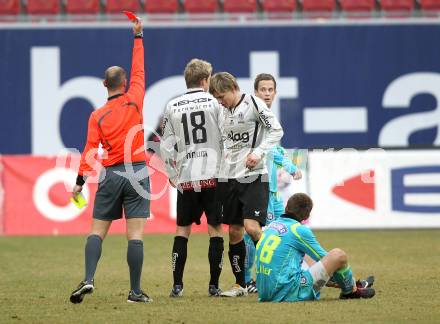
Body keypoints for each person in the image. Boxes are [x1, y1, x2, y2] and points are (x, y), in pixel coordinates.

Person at [69, 18, 152, 304]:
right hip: (138, 172)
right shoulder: (136, 99)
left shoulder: (96, 116)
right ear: (125, 83)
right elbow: (139, 68)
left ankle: (89, 279)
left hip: (111, 175)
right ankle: (135, 291)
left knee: (97, 231)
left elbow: (89, 152)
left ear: (104, 85)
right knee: (135, 235)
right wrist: (138, 37)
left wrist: (79, 184)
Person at [209, 72, 283, 297]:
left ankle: (279, 272)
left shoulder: (253, 103)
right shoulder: (221, 110)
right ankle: (241, 284)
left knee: (252, 228)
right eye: (217, 98)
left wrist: (259, 152)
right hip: (228, 178)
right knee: (234, 231)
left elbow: (276, 130)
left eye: (222, 96)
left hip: (254, 177)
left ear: (233, 88)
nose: (220, 101)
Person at [160, 59, 224, 298]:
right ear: (205, 80)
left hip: (187, 175)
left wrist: (172, 174)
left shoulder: (172, 105)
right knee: (215, 229)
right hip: (214, 174)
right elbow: (225, 137)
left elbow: (165, 145)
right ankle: (213, 286)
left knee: (181, 230)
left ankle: (177, 285)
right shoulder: (215, 103)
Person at [255, 193, 376, 302]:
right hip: (287, 292)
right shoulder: (299, 230)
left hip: (264, 293)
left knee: (307, 256)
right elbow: (328, 260)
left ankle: (354, 285)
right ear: (307, 216)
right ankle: (351, 291)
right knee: (338, 255)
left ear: (286, 207)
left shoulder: (271, 226)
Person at [243, 73, 302, 293]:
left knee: (278, 233)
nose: (267, 94)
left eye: (270, 90)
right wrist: (292, 167)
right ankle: (250, 279)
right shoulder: (255, 116)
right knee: (257, 234)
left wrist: (289, 168)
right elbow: (268, 149)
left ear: (275, 93)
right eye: (263, 90)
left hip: (273, 192)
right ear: (255, 92)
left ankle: (271, 275)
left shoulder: (268, 116)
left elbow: (274, 149)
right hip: (259, 188)